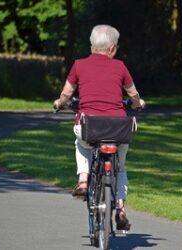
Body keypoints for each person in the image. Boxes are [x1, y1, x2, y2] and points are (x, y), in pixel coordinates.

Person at [54, 24, 145, 230]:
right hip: (118, 129)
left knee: (81, 144)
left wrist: (59, 103)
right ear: (112, 48)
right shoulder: (120, 66)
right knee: (120, 167)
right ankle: (121, 208)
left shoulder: (78, 65)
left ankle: (84, 181)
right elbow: (133, 94)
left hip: (90, 126)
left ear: (92, 46)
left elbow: (67, 94)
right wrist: (139, 105)